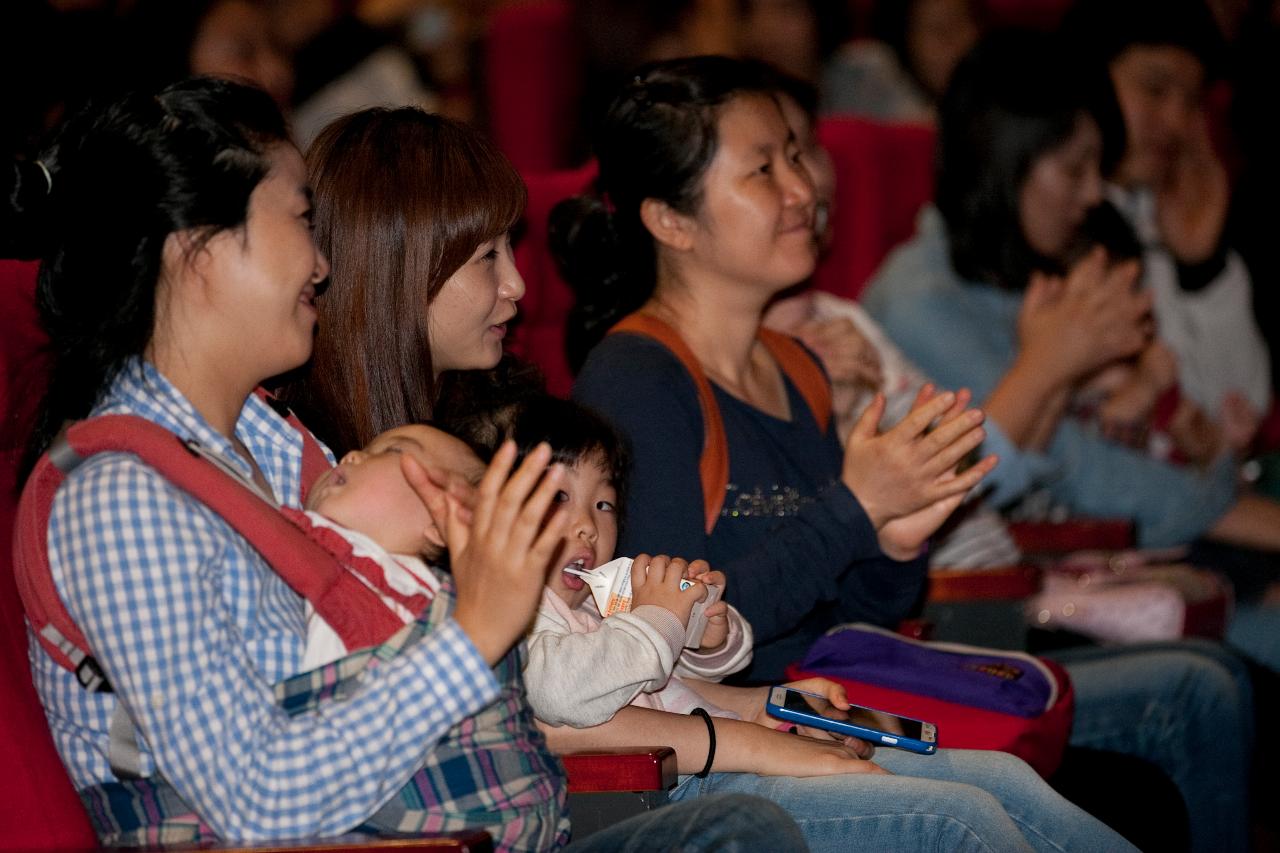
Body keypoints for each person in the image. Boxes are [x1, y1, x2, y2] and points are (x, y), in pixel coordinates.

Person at [15, 76, 809, 852]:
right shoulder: (120, 496)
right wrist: (473, 633)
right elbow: (255, 798)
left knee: (744, 828)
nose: (323, 264)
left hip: (461, 809)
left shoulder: (272, 441)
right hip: (369, 834)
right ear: (199, 251)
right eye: (300, 220)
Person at [561, 54, 1254, 853]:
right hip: (729, 737)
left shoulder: (798, 368)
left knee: (1034, 778)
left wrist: (893, 540)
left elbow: (860, 616)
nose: (802, 189)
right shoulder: (638, 379)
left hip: (837, 699)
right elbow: (670, 633)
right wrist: (857, 509)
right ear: (671, 221)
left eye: (795, 155)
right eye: (762, 169)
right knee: (973, 816)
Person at [444, 390, 1136, 853]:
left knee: (1004, 777)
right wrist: (659, 621)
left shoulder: (601, 597)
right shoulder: (522, 609)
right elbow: (567, 696)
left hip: (731, 742)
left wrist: (711, 632)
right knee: (960, 816)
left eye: (603, 504)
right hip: (689, 784)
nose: (587, 527)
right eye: (559, 498)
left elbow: (693, 670)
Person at [1062, 0, 1271, 429]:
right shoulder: (1054, 225)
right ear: (1088, 81)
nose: (1176, 122)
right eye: (1154, 90)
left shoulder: (1166, 210)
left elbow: (1244, 411)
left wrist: (1202, 267)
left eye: (1192, 102)